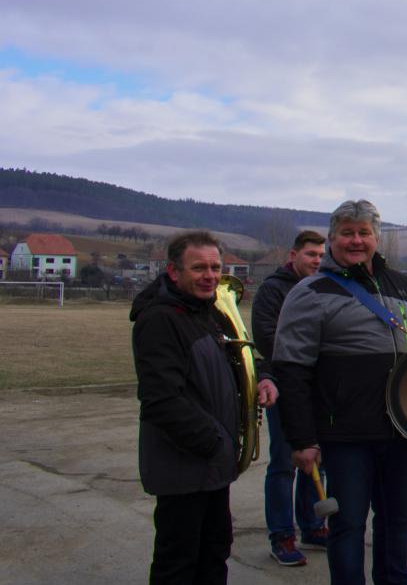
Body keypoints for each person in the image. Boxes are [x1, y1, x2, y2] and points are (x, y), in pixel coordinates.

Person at [273, 200, 407, 585]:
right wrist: (302, 439)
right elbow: (291, 370)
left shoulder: (404, 285)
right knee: (347, 527)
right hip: (345, 436)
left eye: (364, 232)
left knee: (397, 521)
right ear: (331, 239)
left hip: (402, 431)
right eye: (347, 233)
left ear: (376, 238)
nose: (356, 240)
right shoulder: (310, 291)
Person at [131, 230, 278, 584]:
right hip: (184, 467)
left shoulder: (208, 312)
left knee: (213, 553)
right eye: (199, 268)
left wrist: (262, 377)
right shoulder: (160, 320)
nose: (210, 276)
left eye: (215, 267)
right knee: (178, 564)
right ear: (173, 271)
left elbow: (241, 356)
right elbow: (161, 400)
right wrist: (215, 444)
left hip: (210, 466)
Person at [251, 229, 328, 566]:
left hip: (319, 390)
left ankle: (313, 525)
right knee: (284, 464)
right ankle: (282, 535)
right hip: (285, 387)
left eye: (321, 255)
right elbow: (266, 337)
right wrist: (302, 365)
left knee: (317, 460)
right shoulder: (272, 290)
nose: (317, 261)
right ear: (293, 255)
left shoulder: (323, 287)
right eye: (311, 254)